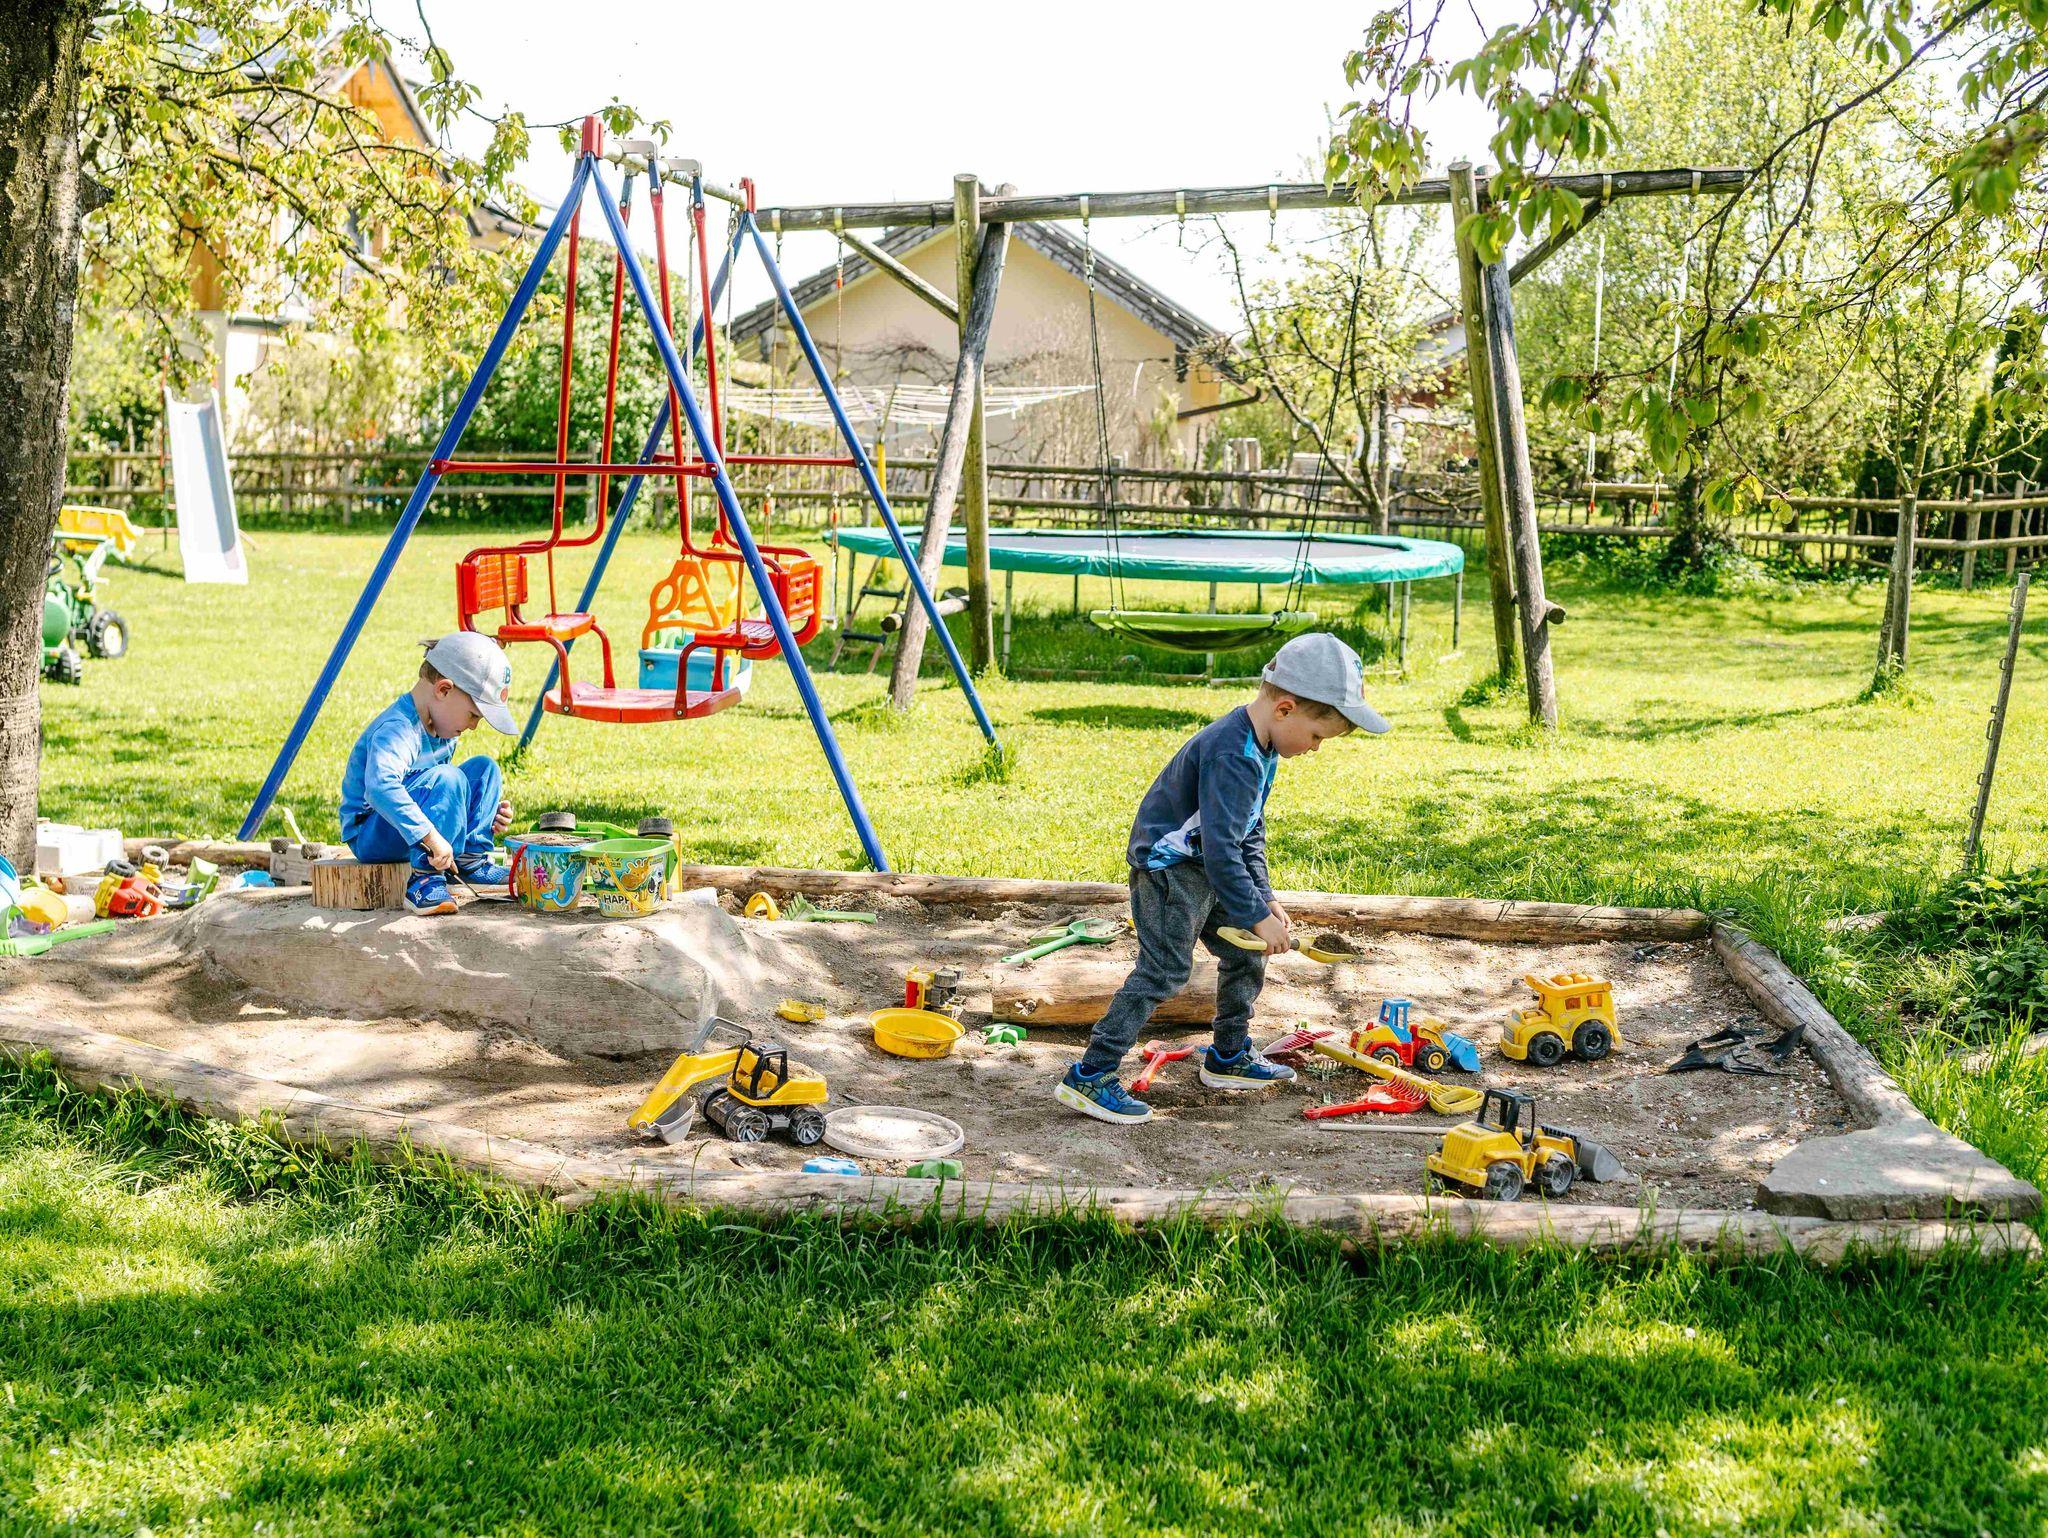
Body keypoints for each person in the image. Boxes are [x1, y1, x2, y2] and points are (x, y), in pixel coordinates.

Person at [1055, 632, 1389, 1124]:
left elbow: (1248, 830)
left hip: (1209, 867)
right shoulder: (1233, 754)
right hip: (1170, 872)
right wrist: (1254, 912)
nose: (1316, 748)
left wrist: (1264, 899)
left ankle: (1228, 1055)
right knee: (1164, 971)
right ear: (1286, 708)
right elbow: (1220, 848)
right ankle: (1090, 1074)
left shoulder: (1263, 747)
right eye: (1318, 736)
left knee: (1245, 954)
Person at [340, 633, 518, 916]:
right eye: (473, 715)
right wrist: (431, 836)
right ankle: (424, 880)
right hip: (371, 832)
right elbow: (380, 789)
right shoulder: (399, 728)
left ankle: (470, 861)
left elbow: (435, 791)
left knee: (484, 769)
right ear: (444, 690)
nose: (474, 726)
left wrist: (475, 814)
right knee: (449, 777)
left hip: (408, 826)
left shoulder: (444, 731)